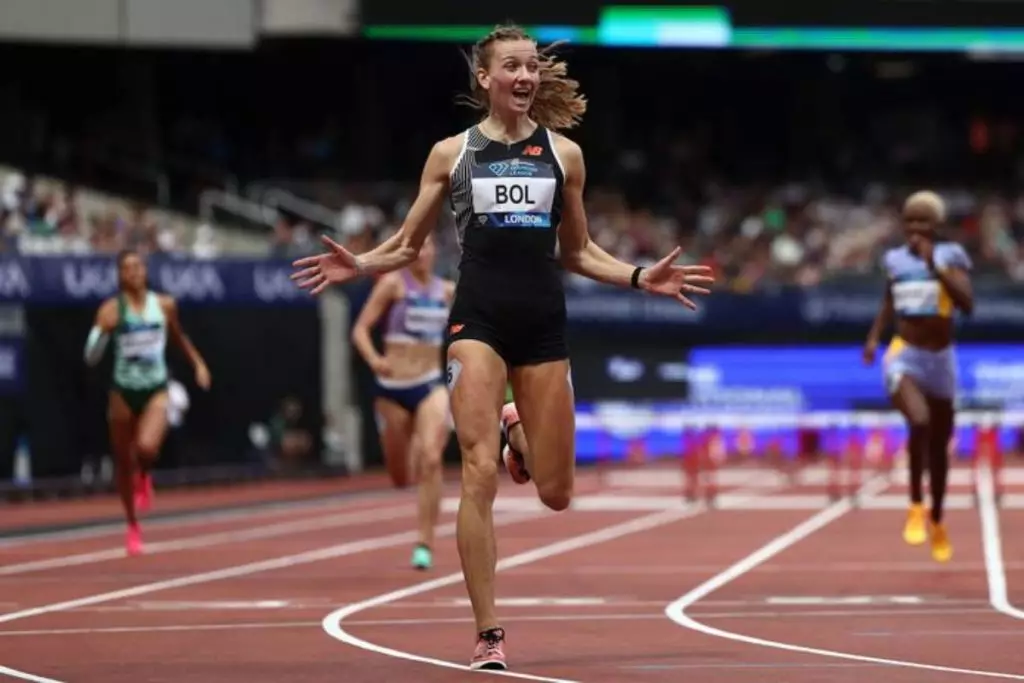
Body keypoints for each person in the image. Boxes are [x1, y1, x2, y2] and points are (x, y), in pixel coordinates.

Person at [291, 23, 713, 670]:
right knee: (478, 473)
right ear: (484, 79)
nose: (524, 76)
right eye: (511, 66)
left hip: (543, 324)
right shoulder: (451, 154)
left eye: (531, 66)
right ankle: (489, 632)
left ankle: (520, 430)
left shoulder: (564, 156)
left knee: (556, 492)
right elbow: (407, 245)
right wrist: (363, 264)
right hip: (477, 322)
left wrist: (637, 276)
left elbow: (577, 252)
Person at [863, 190, 973, 563]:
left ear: (935, 227)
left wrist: (935, 267)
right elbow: (889, 301)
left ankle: (937, 520)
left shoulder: (951, 256)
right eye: (910, 223)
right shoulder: (893, 260)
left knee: (939, 447)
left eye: (923, 224)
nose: (915, 231)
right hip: (904, 355)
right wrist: (874, 338)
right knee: (919, 421)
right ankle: (914, 503)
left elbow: (967, 304)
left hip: (940, 361)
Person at [84, 249, 211, 556]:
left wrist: (198, 364)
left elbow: (179, 338)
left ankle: (146, 473)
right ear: (120, 275)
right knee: (122, 460)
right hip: (123, 390)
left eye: (138, 267)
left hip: (155, 387)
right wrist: (102, 330)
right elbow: (90, 356)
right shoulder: (111, 309)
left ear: (145, 270)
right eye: (127, 268)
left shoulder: (164, 305)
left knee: (145, 448)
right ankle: (132, 524)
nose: (134, 273)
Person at [350, 235, 454, 570]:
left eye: (427, 246)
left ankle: (424, 542)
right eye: (417, 247)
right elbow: (360, 330)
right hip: (392, 388)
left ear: (435, 251)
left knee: (432, 457)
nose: (422, 253)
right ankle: (409, 450)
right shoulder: (392, 285)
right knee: (399, 477)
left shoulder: (448, 292)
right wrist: (375, 359)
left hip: (429, 384)